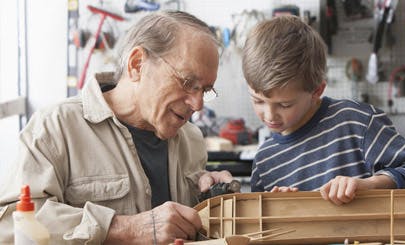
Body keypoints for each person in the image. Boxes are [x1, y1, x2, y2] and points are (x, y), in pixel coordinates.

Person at [0, 11, 233, 244]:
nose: (198, 104)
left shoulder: (191, 139)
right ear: (137, 64)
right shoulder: (55, 127)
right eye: (187, 83)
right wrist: (124, 228)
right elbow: (9, 227)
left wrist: (214, 200)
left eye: (204, 90)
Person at [242, 15, 405, 206]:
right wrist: (279, 210)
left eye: (285, 105)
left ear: (317, 91)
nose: (269, 115)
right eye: (257, 101)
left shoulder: (358, 123)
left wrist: (373, 185)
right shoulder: (264, 162)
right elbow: (260, 232)